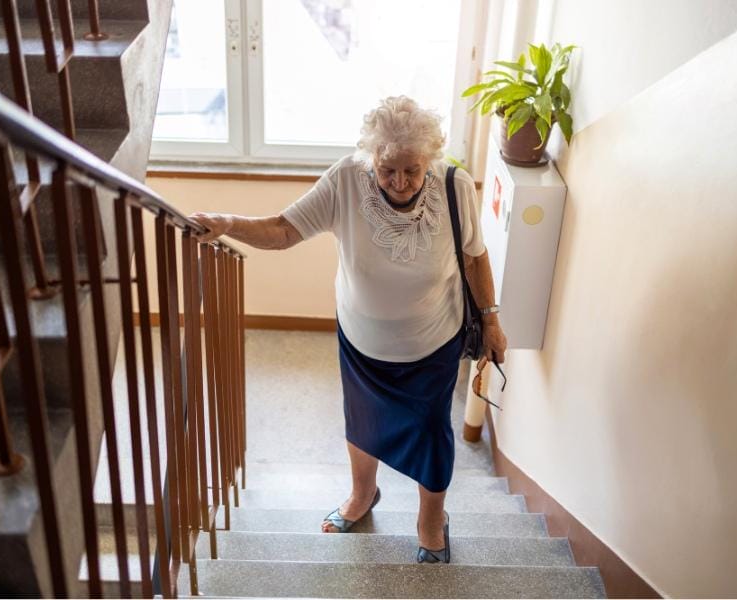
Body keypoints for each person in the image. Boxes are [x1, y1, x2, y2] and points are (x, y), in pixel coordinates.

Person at [191, 96, 507, 564]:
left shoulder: (455, 187)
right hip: (363, 342)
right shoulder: (345, 178)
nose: (399, 182)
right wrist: (226, 224)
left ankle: (430, 521)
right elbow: (283, 230)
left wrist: (493, 319)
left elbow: (476, 255)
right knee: (363, 422)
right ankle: (362, 496)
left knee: (430, 431)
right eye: (387, 170)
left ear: (430, 161)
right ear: (372, 158)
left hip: (432, 342)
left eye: (412, 170)